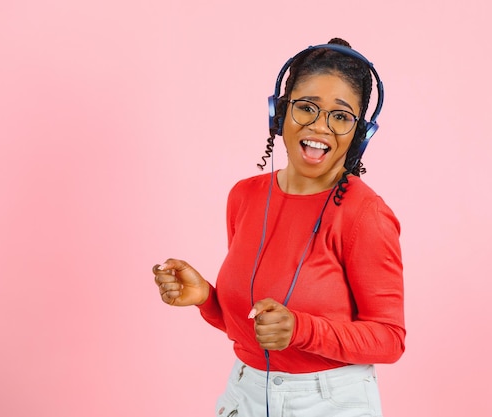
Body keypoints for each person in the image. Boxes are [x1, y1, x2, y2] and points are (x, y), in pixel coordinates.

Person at [153, 38, 405, 417]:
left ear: (361, 133)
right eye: (306, 108)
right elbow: (255, 330)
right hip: (244, 393)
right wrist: (207, 297)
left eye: (340, 116)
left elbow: (389, 340)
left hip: (327, 402)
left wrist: (301, 330)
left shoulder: (365, 214)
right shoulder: (244, 196)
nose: (321, 127)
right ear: (279, 113)